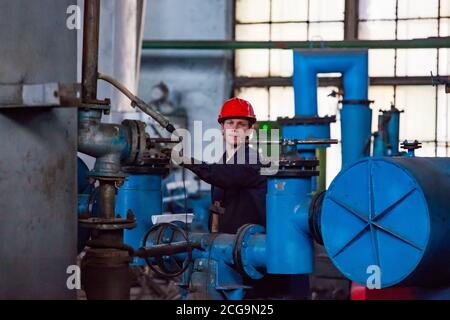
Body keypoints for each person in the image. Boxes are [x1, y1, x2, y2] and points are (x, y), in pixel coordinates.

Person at [180, 97, 309, 299]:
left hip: (254, 251)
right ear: (222, 128)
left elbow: (222, 175)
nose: (234, 129)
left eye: (241, 124)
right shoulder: (225, 161)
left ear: (250, 130)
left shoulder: (252, 159)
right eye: (229, 123)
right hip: (230, 250)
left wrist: (187, 161)